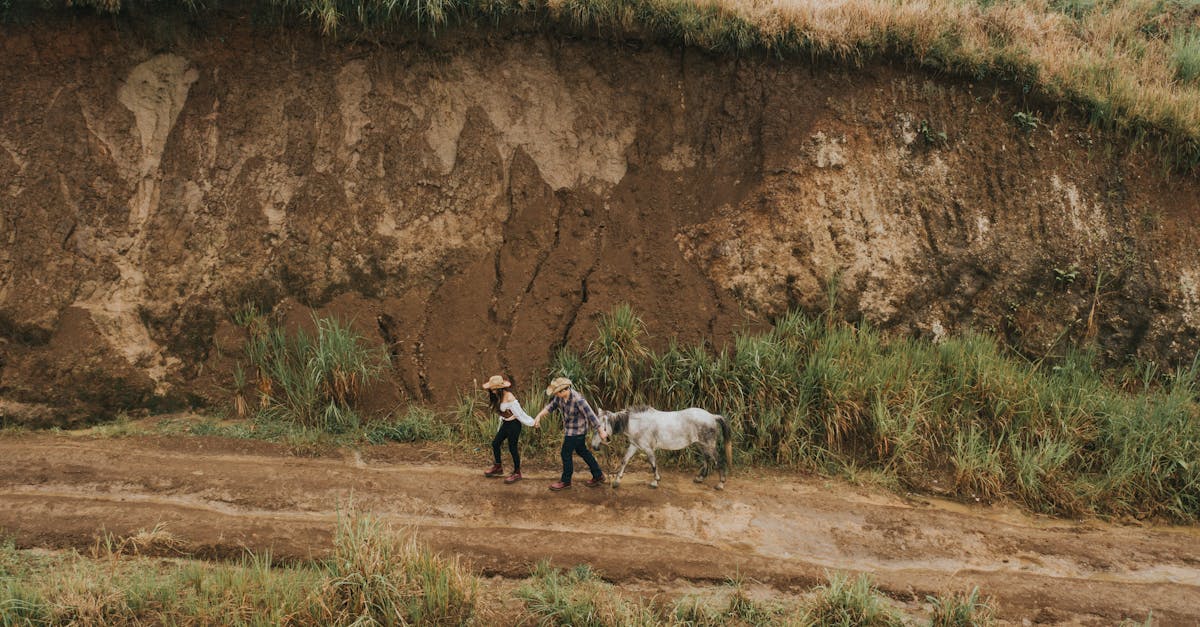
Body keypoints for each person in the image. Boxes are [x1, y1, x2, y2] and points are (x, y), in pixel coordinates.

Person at [533, 377, 608, 491]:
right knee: (582, 451)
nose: (556, 395)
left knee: (565, 453)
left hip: (577, 431)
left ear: (565, 390)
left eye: (557, 392)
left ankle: (566, 481)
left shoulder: (578, 400)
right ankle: (598, 475)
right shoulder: (559, 397)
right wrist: (539, 416)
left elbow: (591, 415)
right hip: (570, 430)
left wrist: (601, 431)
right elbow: (550, 407)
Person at [481, 374, 534, 484]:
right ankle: (498, 467)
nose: (492, 391)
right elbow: (502, 412)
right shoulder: (497, 396)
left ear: (500, 388)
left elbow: (520, 414)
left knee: (512, 448)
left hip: (514, 425)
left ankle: (517, 472)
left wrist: (532, 422)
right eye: (491, 389)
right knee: (495, 443)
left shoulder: (509, 397)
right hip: (506, 424)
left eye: (494, 389)